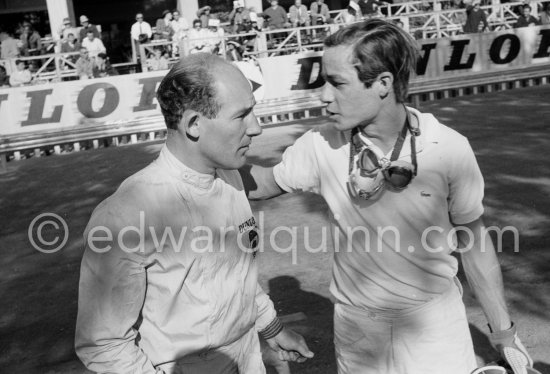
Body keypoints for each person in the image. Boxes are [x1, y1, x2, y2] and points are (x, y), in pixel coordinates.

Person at [243, 19, 535, 374]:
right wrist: (207, 154)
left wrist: (503, 333)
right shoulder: (321, 144)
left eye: (337, 83)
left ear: (382, 83)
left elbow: (473, 243)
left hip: (435, 330)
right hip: (358, 333)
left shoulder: (449, 147)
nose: (323, 95)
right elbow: (262, 183)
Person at [75, 52, 313, 374]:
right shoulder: (126, 215)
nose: (256, 127)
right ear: (194, 124)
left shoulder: (229, 175)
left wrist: (271, 328)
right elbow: (103, 345)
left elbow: (235, 276)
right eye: (242, 115)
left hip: (248, 358)